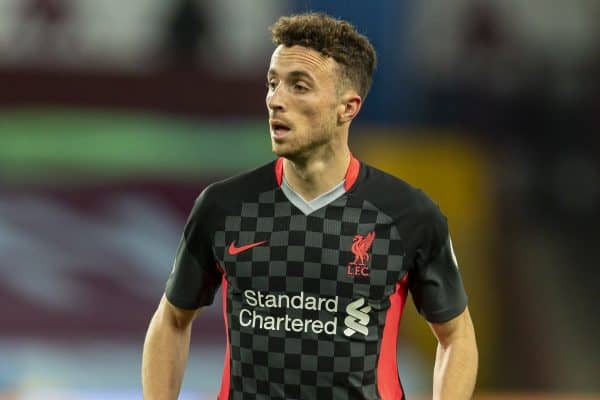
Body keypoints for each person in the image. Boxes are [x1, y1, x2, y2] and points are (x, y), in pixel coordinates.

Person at [142, 12, 478, 400]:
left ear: (347, 107)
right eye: (272, 84)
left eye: (298, 86)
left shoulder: (408, 215)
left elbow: (456, 336)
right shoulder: (224, 207)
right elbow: (171, 320)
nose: (275, 101)